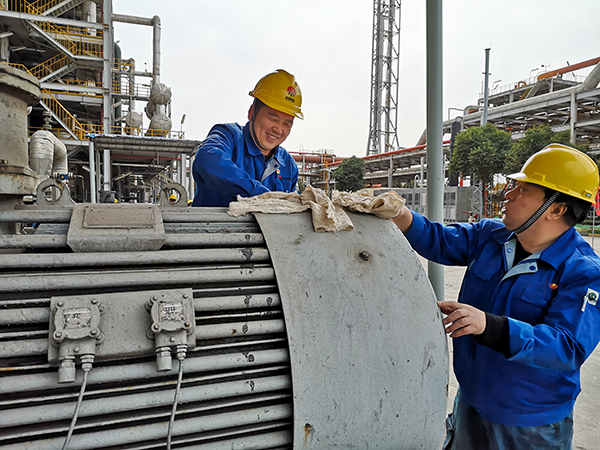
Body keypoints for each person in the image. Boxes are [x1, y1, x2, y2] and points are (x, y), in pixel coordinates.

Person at [391, 144, 600, 449]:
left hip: (530, 423)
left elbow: (566, 348)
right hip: (471, 401)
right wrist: (400, 215)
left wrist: (489, 326)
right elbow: (438, 239)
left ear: (555, 209)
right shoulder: (491, 236)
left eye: (523, 189)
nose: (508, 194)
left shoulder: (582, 271)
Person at [191, 69, 302, 207]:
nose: (278, 130)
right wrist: (260, 195)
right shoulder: (229, 137)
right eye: (273, 119)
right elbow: (206, 159)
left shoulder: (288, 165)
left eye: (287, 124)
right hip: (214, 228)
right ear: (252, 113)